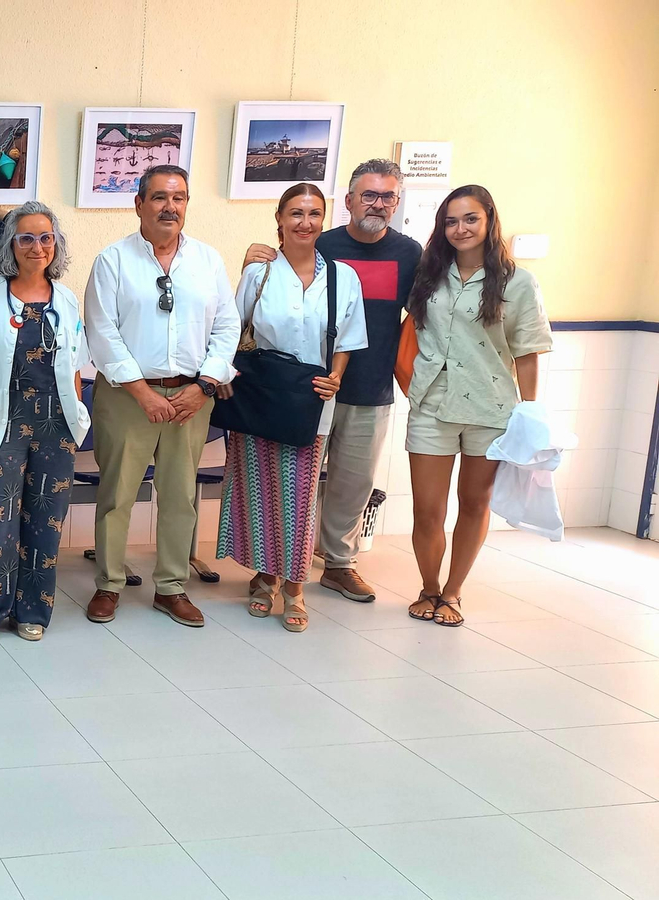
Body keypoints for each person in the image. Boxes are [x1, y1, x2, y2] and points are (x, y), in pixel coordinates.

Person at [244, 159, 423, 602]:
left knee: (354, 482)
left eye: (387, 196)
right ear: (349, 201)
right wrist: (250, 257)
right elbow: (273, 284)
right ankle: (277, 566)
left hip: (371, 386)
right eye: (368, 195)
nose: (377, 204)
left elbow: (426, 316)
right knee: (292, 482)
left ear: (397, 202)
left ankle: (339, 563)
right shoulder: (322, 242)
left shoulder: (410, 254)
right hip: (306, 388)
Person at [83, 164, 238, 628]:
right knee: (117, 494)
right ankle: (109, 584)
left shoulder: (207, 260)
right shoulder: (112, 260)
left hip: (191, 397)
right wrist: (142, 392)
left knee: (179, 496)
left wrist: (204, 386)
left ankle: (171, 587)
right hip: (126, 397)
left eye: (179, 198)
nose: (170, 207)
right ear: (139, 204)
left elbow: (227, 327)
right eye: (159, 197)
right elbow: (101, 331)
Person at [218, 183, 368, 632]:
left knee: (300, 498)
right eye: (296, 213)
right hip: (260, 396)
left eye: (314, 213)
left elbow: (348, 338)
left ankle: (295, 586)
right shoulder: (259, 273)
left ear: (324, 220)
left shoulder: (342, 277)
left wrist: (336, 376)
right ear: (279, 219)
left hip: (311, 399)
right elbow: (232, 329)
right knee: (259, 491)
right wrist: (223, 376)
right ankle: (266, 577)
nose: (305, 222)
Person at [0, 202, 90, 643]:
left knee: (46, 522)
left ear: (55, 245)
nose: (37, 247)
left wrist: (76, 413)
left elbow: (75, 365)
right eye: (26, 238)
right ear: (11, 244)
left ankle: (33, 611)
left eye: (46, 238)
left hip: (57, 426)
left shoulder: (66, 299)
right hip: (3, 423)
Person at [404, 185, 551, 627]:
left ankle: (452, 592)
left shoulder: (517, 282)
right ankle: (429, 587)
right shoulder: (428, 273)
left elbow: (527, 352)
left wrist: (530, 412)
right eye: (451, 221)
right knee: (427, 510)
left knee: (473, 503)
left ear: (489, 220)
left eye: (470, 219)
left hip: (490, 408)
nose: (460, 229)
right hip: (432, 404)